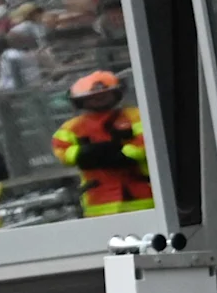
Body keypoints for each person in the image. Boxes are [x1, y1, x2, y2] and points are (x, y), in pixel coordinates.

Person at [52, 70, 150, 216]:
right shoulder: (72, 127)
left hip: (143, 198)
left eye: (103, 95)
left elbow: (147, 140)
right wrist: (83, 154)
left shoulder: (135, 116)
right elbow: (61, 149)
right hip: (98, 203)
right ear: (81, 101)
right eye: (92, 97)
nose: (98, 98)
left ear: (116, 94)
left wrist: (125, 155)